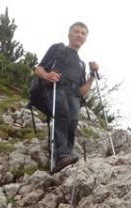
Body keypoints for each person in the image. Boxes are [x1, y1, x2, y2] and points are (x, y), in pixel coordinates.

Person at [34, 22, 99, 172]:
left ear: (85, 39)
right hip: (55, 88)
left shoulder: (81, 64)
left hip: (73, 95)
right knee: (61, 112)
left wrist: (92, 76)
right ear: (69, 35)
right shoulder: (58, 48)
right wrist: (47, 75)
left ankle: (66, 156)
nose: (79, 35)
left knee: (73, 121)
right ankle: (61, 155)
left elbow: (82, 92)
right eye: (76, 32)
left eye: (83, 33)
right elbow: (38, 68)